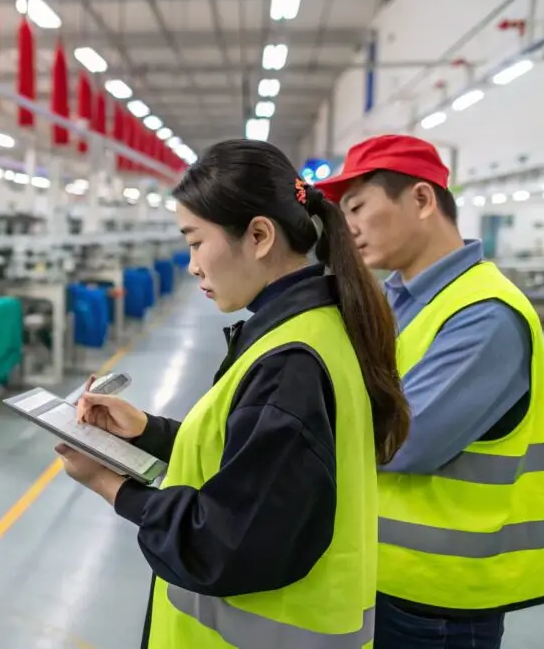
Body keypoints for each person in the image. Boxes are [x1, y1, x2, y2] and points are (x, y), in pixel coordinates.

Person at [56, 138, 411, 648]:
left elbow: (219, 544)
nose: (192, 265)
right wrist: (146, 432)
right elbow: (248, 462)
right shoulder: (313, 329)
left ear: (260, 235)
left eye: (196, 242)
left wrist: (113, 487)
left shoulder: (290, 362)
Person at [317, 134, 544, 649]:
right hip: (382, 575)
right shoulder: (397, 298)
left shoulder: (484, 313)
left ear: (423, 200)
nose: (349, 228)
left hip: (440, 602)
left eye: (358, 207)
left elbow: (403, 442)